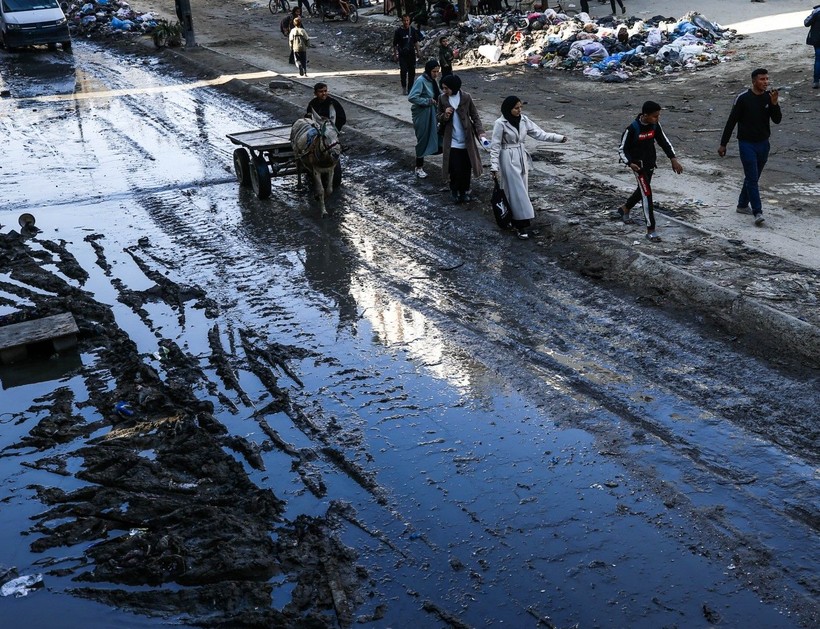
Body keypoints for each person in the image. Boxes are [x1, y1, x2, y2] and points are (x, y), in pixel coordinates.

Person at [490, 96, 567, 240]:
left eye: (520, 107)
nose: (519, 111)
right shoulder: (500, 124)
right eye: (516, 108)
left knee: (521, 189)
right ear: (508, 109)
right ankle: (521, 224)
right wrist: (494, 167)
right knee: (517, 191)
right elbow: (495, 146)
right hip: (508, 158)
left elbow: (539, 133)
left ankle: (512, 218)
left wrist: (558, 138)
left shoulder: (524, 120)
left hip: (521, 157)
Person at [611, 101, 683, 242]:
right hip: (638, 166)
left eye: (658, 116)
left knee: (642, 190)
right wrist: (630, 163)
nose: (657, 119)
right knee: (647, 194)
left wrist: (673, 159)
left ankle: (625, 208)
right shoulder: (632, 129)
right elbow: (622, 149)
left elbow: (664, 141)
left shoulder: (655, 126)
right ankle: (651, 230)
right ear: (645, 115)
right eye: (655, 116)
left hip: (650, 163)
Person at [718, 68, 782, 226]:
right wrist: (723, 143)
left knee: (753, 176)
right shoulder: (743, 98)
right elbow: (731, 121)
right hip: (746, 144)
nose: (765, 82)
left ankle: (742, 205)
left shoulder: (769, 97)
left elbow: (777, 120)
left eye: (767, 79)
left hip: (763, 143)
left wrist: (774, 104)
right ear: (754, 81)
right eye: (762, 79)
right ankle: (757, 212)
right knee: (753, 179)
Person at [437, 74, 488, 203]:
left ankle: (465, 191)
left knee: (466, 168)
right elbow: (438, 117)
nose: (444, 91)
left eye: (446, 88)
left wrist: (480, 132)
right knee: (454, 168)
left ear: (454, 87)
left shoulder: (466, 97)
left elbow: (475, 116)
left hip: (467, 140)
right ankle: (454, 190)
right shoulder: (442, 99)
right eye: (443, 88)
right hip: (452, 141)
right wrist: (445, 116)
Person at [408, 59, 441, 179]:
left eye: (437, 71)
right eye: (434, 71)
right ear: (428, 70)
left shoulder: (433, 80)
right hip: (423, 113)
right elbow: (412, 97)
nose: (436, 74)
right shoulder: (421, 81)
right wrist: (426, 101)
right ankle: (419, 167)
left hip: (433, 112)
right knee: (423, 138)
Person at [393, 14, 423, 96]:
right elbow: (395, 44)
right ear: (402, 21)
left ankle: (410, 88)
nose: (406, 22)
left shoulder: (412, 30)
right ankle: (404, 87)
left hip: (411, 54)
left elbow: (415, 42)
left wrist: (418, 51)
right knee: (403, 71)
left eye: (407, 20)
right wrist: (395, 54)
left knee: (412, 72)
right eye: (404, 20)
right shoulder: (398, 31)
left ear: (409, 21)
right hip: (402, 54)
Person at [806, 4, 820, 89]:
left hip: (817, 39)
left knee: (818, 59)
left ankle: (816, 81)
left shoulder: (817, 11)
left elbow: (806, 23)